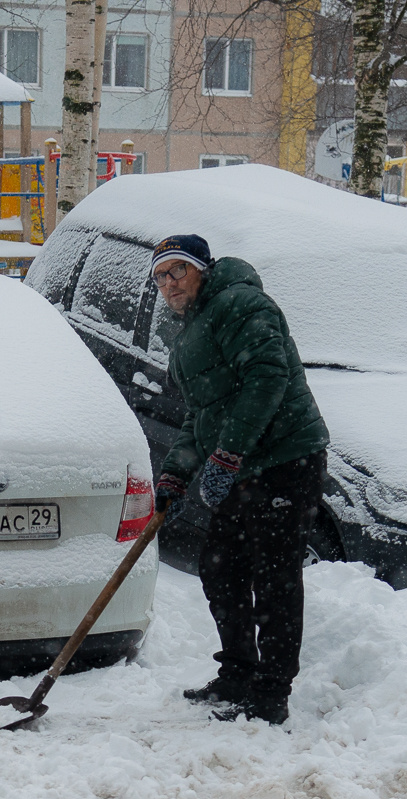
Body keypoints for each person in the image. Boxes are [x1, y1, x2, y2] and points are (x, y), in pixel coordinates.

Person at [150, 234, 329, 726]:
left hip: (286, 460)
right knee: (220, 565)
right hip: (244, 465)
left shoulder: (241, 304)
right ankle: (237, 672)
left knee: (274, 577)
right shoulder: (192, 326)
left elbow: (267, 378)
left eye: (177, 271)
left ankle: (272, 692)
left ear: (203, 269)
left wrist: (227, 454)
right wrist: (176, 473)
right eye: (160, 276)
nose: (169, 284)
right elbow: (200, 412)